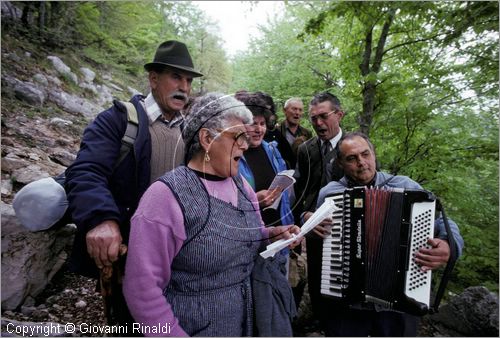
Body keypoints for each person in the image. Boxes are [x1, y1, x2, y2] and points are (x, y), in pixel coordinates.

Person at [122, 93, 301, 336]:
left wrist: (271, 235)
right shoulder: (164, 198)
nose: (245, 145)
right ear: (207, 138)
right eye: (238, 136)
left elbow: (253, 235)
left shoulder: (242, 186)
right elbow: (141, 290)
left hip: (247, 323)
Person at [64, 40, 203, 326]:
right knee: (128, 323)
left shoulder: (189, 130)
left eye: (188, 80)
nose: (185, 87)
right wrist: (101, 219)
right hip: (130, 252)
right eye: (176, 77)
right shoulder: (117, 120)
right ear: (153, 79)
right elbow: (86, 171)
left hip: (175, 253)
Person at [313, 132, 464, 336]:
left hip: (399, 303)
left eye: (365, 154)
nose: (361, 162)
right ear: (340, 163)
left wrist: (448, 244)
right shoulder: (330, 193)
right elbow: (317, 237)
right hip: (346, 302)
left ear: (374, 154)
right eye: (351, 158)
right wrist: (310, 224)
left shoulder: (404, 186)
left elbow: (441, 222)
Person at [292, 91, 345, 313]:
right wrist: (304, 215)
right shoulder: (306, 150)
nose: (318, 123)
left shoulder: (355, 147)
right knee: (316, 277)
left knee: (344, 278)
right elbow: (297, 191)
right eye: (314, 119)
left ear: (339, 115)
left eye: (324, 116)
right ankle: (321, 318)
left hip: (347, 228)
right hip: (315, 228)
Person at [279, 97, 312, 168]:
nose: (297, 113)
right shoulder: (276, 131)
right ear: (284, 110)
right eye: (294, 109)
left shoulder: (307, 133)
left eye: (300, 110)